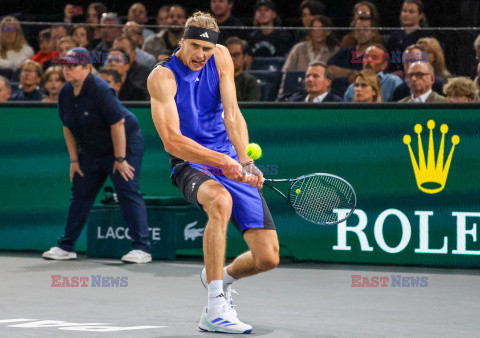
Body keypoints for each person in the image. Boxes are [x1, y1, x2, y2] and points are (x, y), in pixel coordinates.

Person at [148, 11, 278, 333]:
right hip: (190, 162)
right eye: (194, 46)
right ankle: (216, 307)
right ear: (182, 41)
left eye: (206, 49)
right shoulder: (162, 76)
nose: (200, 55)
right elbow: (171, 140)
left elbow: (232, 114)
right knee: (219, 202)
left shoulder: (220, 58)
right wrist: (221, 160)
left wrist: (245, 160)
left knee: (268, 258)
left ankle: (218, 277)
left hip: (229, 159)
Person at [42, 47, 151, 263]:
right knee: (80, 193)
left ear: (86, 68)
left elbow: (118, 124)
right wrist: (74, 161)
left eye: (72, 66)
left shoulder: (101, 89)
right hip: (92, 150)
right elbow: (67, 127)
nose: (67, 70)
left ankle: (142, 249)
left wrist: (120, 159)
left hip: (124, 144)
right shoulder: (65, 93)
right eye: (65, 65)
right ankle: (66, 246)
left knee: (127, 190)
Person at [386, 0, 432, 75]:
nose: (406, 14)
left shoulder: (426, 35)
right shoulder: (395, 35)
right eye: (404, 11)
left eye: (411, 12)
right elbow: (391, 59)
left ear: (421, 15)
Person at [225, 37, 260, 101]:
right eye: (229, 55)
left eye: (236, 55)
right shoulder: (216, 80)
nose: (232, 59)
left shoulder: (250, 82)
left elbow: (252, 107)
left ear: (244, 57)